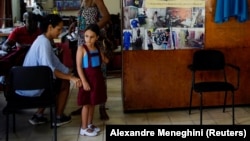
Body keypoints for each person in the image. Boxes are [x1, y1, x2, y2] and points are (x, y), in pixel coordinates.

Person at [17, 14, 82, 127]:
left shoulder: (43, 40)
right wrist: (70, 77)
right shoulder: (44, 43)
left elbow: (55, 62)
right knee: (64, 83)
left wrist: (69, 72)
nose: (60, 32)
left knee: (58, 79)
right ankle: (58, 117)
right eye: (59, 29)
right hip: (31, 88)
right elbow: (49, 70)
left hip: (28, 84)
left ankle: (38, 115)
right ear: (50, 27)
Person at [71, 0, 111, 120]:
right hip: (82, 40)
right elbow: (84, 19)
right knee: (84, 73)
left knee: (99, 74)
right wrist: (75, 24)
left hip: (94, 41)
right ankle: (85, 104)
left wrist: (92, 29)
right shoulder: (83, 1)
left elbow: (106, 17)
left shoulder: (96, 0)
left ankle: (102, 107)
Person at [76, 24, 109, 136]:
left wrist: (105, 50)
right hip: (87, 79)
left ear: (97, 38)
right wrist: (84, 81)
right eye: (86, 36)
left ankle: (90, 124)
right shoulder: (81, 49)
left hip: (97, 79)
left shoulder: (98, 48)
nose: (88, 39)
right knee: (86, 104)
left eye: (91, 37)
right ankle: (84, 127)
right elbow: (79, 67)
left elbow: (105, 61)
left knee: (93, 102)